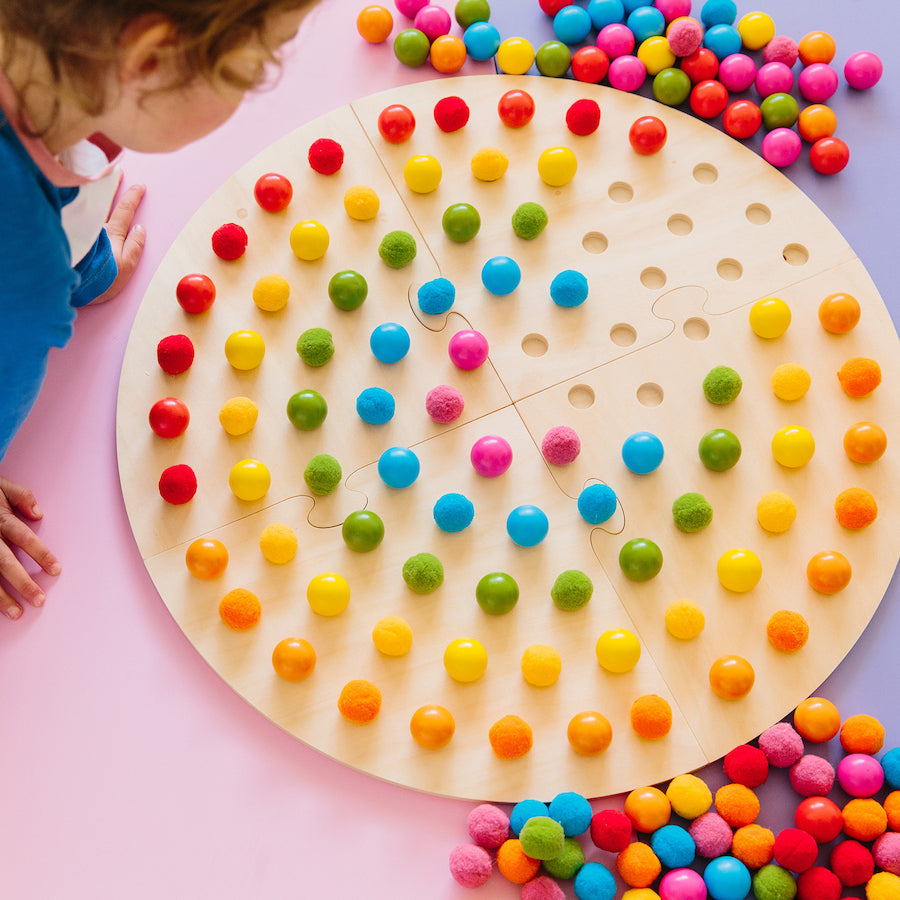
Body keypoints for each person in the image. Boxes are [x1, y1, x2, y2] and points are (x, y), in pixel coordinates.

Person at [0, 0, 319, 620]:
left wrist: (85, 265)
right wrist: (53, 270)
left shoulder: (41, 67)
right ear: (150, 60)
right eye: (257, 66)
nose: (263, 82)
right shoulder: (24, 285)